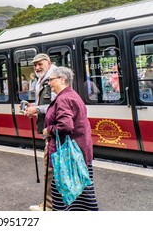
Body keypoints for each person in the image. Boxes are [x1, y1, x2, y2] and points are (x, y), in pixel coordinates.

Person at [43, 67, 99, 211]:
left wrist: (48, 130)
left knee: (64, 193)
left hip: (68, 156)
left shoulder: (64, 98)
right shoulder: (72, 95)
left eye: (51, 80)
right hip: (78, 152)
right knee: (81, 193)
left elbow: (66, 126)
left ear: (62, 79)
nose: (49, 83)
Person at [24, 53, 57, 211]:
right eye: (35, 65)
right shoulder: (42, 80)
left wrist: (36, 108)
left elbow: (56, 106)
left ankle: (48, 206)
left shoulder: (54, 79)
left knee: (49, 169)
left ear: (48, 64)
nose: (37, 67)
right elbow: (46, 104)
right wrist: (34, 107)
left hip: (53, 131)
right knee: (52, 169)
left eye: (40, 64)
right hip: (49, 129)